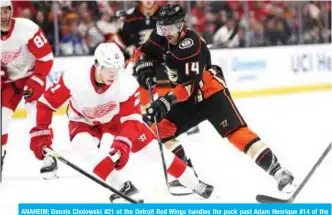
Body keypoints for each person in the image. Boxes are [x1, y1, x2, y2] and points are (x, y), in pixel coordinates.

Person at [134, 4, 297, 194]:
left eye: (169, 28)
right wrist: (142, 64)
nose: (165, 32)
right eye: (162, 27)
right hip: (186, 99)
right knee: (159, 131)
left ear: (181, 26)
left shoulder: (191, 45)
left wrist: (166, 101)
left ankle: (279, 173)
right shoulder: (160, 37)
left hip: (210, 94)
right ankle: (187, 178)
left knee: (237, 134)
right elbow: (141, 51)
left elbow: (188, 87)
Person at [29, 42, 214, 202]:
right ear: (97, 64)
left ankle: (192, 181)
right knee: (82, 146)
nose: (113, 75)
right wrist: (41, 134)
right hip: (83, 120)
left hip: (116, 119)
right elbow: (46, 104)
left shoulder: (126, 83)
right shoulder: (73, 78)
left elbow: (132, 119)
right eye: (109, 70)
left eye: (116, 70)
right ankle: (122, 187)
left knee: (152, 150)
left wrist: (123, 143)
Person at [1, 0, 54, 177]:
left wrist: (37, 79)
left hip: (32, 75)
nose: (2, 16)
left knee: (35, 114)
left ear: (11, 11)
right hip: (9, 82)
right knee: (2, 118)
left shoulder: (26, 28)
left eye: (5, 11)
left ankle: (47, 154)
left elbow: (46, 58)